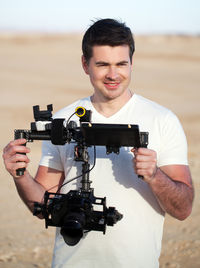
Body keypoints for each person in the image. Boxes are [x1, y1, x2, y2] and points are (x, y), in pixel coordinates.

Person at [2, 18, 194, 268]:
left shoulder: (163, 120)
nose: (113, 74)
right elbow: (43, 208)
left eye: (121, 64)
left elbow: (183, 209)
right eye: (102, 64)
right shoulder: (62, 121)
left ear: (132, 63)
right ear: (85, 64)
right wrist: (20, 176)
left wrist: (154, 175)